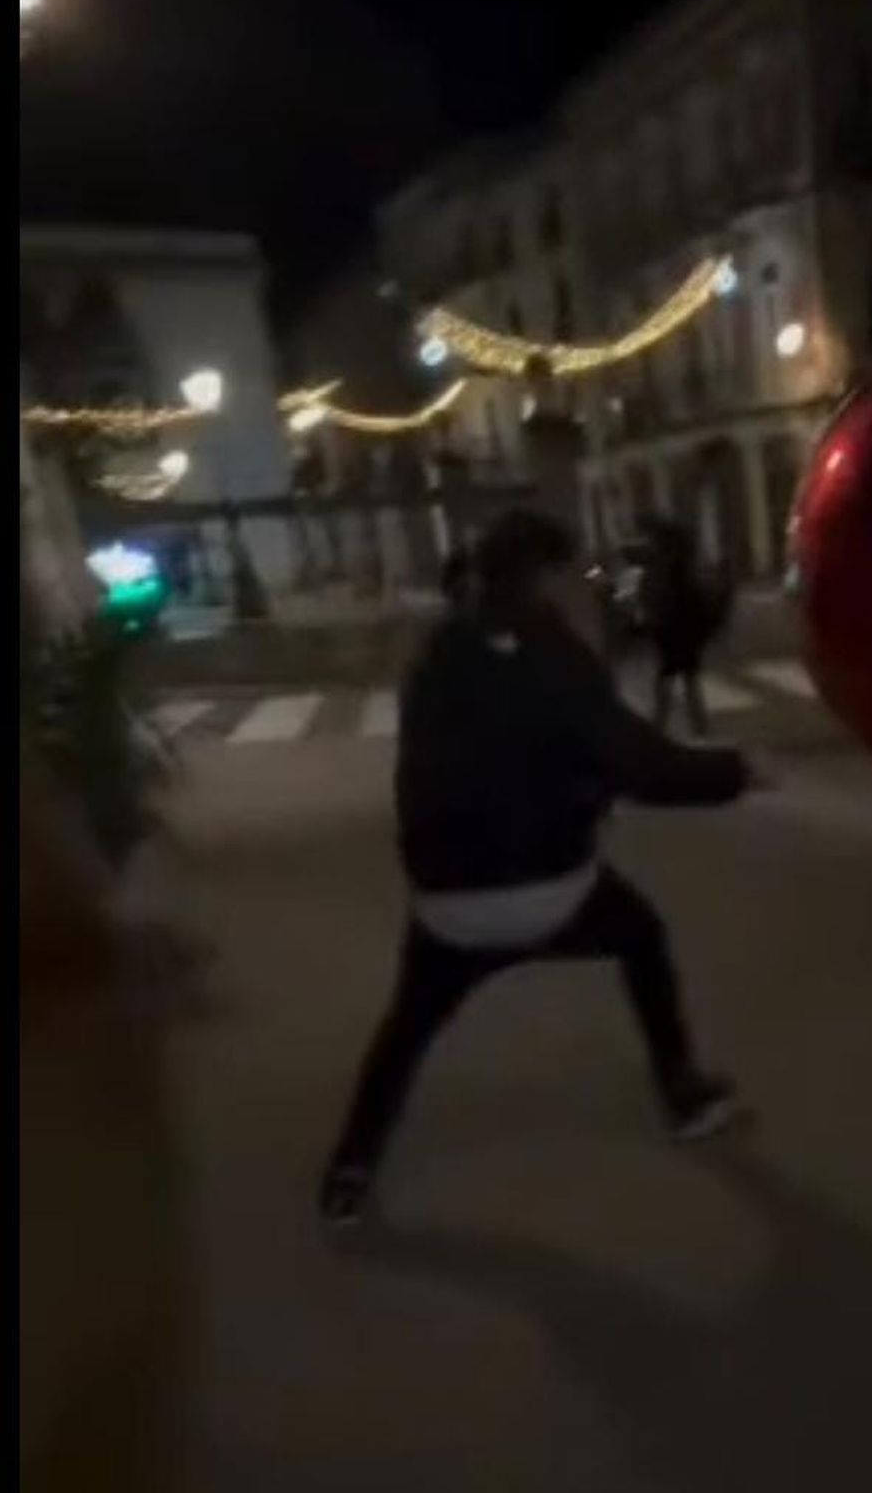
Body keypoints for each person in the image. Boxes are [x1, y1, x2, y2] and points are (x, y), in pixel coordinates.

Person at [320, 510, 752, 1228]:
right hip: (552, 892)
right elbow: (641, 765)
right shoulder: (555, 652)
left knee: (405, 1029)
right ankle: (686, 1095)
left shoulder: (434, 656)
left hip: (448, 906)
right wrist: (736, 773)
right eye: (575, 575)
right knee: (641, 937)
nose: (586, 591)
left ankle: (349, 1172)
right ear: (546, 578)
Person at [640, 518, 729, 739]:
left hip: (671, 630)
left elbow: (659, 597)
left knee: (669, 678)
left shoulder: (663, 566)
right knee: (687, 679)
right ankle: (697, 725)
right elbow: (694, 598)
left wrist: (653, 620)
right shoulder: (679, 566)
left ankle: (663, 723)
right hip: (681, 630)